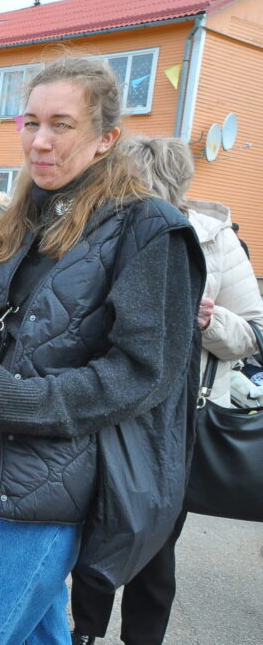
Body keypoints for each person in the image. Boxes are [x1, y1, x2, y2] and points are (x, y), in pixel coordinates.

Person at [0, 57, 204, 644]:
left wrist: (15, 398)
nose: (39, 142)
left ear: (106, 139)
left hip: (54, 480)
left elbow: (142, 375)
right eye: (30, 122)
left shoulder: (153, 230)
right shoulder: (24, 216)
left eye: (61, 125)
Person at [69, 136, 263, 645]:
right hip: (107, 403)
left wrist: (208, 319)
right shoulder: (102, 228)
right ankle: (84, 634)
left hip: (174, 423)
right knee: (96, 531)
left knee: (154, 542)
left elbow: (253, 335)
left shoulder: (215, 241)